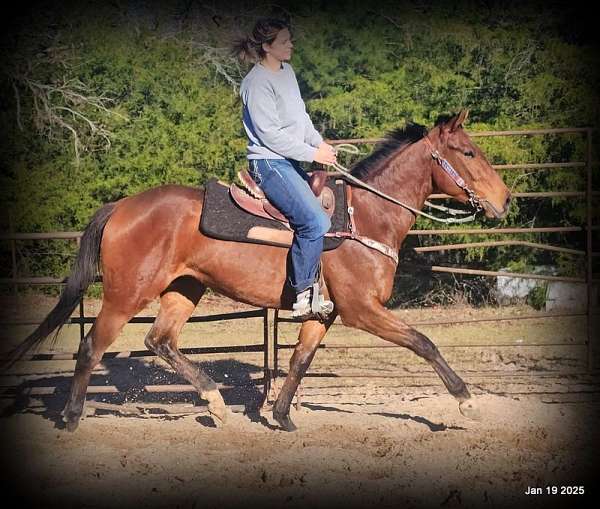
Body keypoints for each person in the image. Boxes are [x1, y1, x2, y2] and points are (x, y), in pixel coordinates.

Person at [233, 18, 336, 320]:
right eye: (284, 41)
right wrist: (312, 152)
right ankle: (302, 294)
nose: (291, 45)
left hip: (289, 160)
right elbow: (270, 135)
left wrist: (320, 144)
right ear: (267, 47)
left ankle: (317, 292)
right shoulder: (255, 83)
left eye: (290, 40)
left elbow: (301, 118)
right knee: (314, 221)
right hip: (269, 162)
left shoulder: (287, 72)